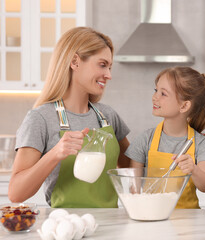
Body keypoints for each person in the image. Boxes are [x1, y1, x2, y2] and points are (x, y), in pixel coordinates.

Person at [8, 27, 131, 208]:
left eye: (110, 67)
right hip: (66, 227)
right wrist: (55, 154)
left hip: (111, 226)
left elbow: (134, 169)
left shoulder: (108, 116)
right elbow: (15, 193)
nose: (109, 75)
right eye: (103, 65)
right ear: (75, 61)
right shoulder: (40, 119)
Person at [126, 66, 205, 208]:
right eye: (156, 90)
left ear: (184, 106)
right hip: (152, 216)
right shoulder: (144, 140)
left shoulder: (202, 143)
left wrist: (193, 169)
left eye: (163, 94)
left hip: (188, 223)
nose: (154, 97)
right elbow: (134, 188)